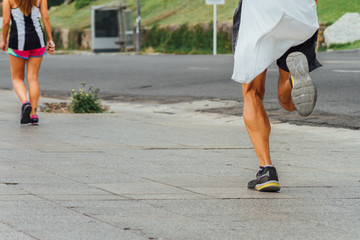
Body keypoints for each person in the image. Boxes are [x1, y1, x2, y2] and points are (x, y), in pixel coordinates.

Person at [232, 0, 321, 192]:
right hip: (300, 11)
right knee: (288, 103)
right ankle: (293, 81)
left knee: (252, 92)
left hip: (258, 11)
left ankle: (267, 172)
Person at [1, 0, 55, 125]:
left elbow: (5, 22)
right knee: (33, 78)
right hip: (38, 41)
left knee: (17, 78)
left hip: (17, 42)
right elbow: (45, 18)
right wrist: (50, 39)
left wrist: (4, 40)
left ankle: (25, 103)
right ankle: (34, 115)